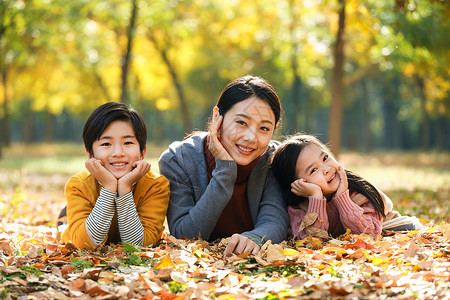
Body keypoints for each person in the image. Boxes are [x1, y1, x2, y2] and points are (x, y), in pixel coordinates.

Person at [158, 75, 289, 256]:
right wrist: (225, 169)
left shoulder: (274, 159)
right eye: (241, 123)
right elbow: (184, 235)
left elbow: (275, 220)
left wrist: (254, 239)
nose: (251, 138)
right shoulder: (178, 160)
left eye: (264, 128)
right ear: (217, 116)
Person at [61, 102, 170, 250]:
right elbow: (84, 246)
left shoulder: (156, 185)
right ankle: (64, 218)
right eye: (106, 144)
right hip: (81, 229)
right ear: (89, 154)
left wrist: (124, 187)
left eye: (128, 142)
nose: (118, 152)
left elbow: (139, 245)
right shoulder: (78, 185)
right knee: (65, 221)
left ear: (142, 152)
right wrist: (109, 187)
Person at [270, 134, 423, 240]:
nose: (326, 169)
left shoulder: (357, 192)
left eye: (325, 158)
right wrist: (316, 197)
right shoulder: (299, 208)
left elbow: (369, 234)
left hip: (388, 225)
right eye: (313, 170)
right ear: (297, 184)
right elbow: (312, 242)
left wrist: (343, 198)